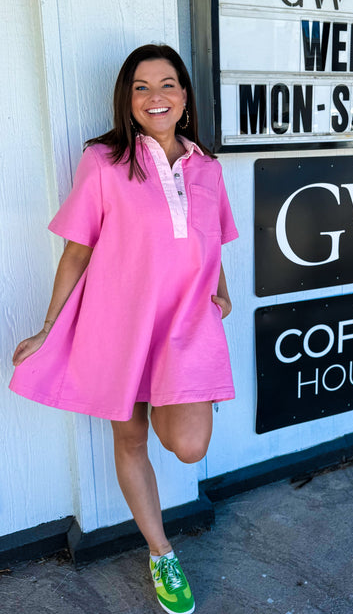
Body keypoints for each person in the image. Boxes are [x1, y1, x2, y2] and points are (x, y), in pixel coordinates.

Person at [10, 43, 239, 614]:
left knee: (188, 445)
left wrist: (223, 286)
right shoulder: (104, 161)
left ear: (185, 97)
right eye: (141, 86)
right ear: (128, 98)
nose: (154, 96)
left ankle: (171, 396)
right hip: (118, 325)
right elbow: (76, 251)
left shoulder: (208, 167)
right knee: (130, 438)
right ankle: (162, 554)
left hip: (186, 326)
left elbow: (210, 236)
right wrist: (47, 328)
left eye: (167, 84)